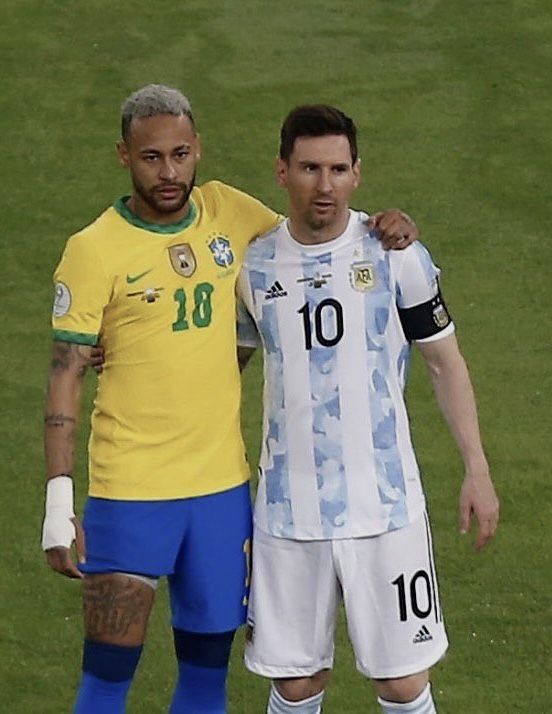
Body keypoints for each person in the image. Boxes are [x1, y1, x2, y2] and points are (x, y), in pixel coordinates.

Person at [41, 85, 419, 714]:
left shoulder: (229, 213)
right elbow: (64, 375)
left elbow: (312, 234)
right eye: (152, 157)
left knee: (205, 676)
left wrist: (387, 223)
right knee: (107, 677)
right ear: (123, 156)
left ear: (198, 151)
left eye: (181, 154)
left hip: (221, 495)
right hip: (130, 487)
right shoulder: (93, 248)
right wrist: (58, 500)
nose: (169, 172)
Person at [236, 105, 499, 714]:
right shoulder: (252, 265)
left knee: (402, 681)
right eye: (308, 168)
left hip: (385, 505)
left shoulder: (397, 254)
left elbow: (444, 363)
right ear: (282, 172)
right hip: (286, 508)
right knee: (296, 682)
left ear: (357, 172)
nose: (322, 185)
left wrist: (476, 468)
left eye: (336, 168)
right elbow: (222, 367)